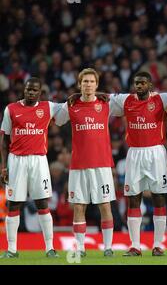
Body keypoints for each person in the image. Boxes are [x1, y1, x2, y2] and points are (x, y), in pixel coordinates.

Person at [108, 71, 167, 256]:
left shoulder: (161, 98)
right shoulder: (125, 100)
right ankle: (135, 246)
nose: (138, 86)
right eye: (136, 83)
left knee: (159, 197)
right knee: (134, 198)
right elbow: (101, 98)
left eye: (142, 83)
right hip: (134, 153)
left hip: (156, 152)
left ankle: (157, 245)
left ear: (150, 85)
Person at [54, 68, 116, 258]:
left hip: (102, 164)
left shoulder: (106, 103)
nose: (88, 85)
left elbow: (127, 100)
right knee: (79, 206)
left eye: (91, 81)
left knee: (105, 205)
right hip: (79, 164)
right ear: (79, 84)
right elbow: (57, 120)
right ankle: (80, 247)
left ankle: (108, 247)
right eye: (84, 82)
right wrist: (67, 101)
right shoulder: (71, 105)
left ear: (96, 85)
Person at [0, 77, 60, 258]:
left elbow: (67, 106)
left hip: (39, 161)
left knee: (42, 203)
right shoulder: (11, 109)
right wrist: (4, 166)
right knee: (13, 204)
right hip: (16, 160)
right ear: (24, 90)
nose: (30, 92)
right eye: (28, 89)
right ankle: (12, 249)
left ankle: (49, 248)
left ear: (40, 93)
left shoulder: (48, 107)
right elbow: (4, 141)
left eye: (34, 90)